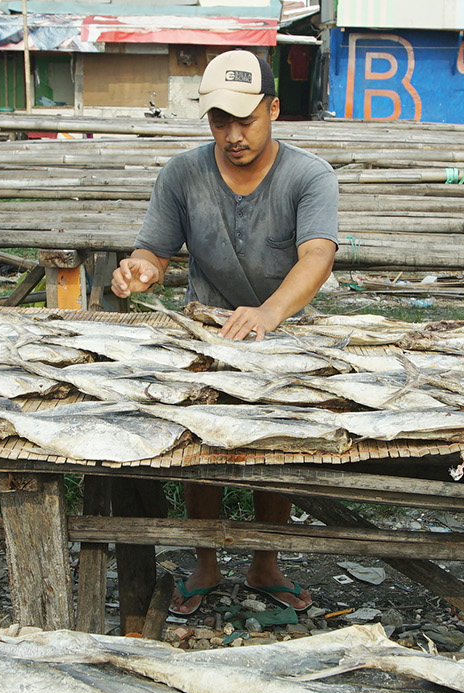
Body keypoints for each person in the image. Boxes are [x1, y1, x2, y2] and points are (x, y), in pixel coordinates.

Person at [110, 48, 339, 617]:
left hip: (285, 330)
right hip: (207, 328)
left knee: (274, 447)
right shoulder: (183, 173)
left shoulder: (308, 176)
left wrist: (269, 313)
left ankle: (267, 562)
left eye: (247, 119)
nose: (233, 134)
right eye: (220, 120)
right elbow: (155, 250)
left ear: (275, 109)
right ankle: (206, 562)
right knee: (201, 440)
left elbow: (316, 256)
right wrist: (141, 270)